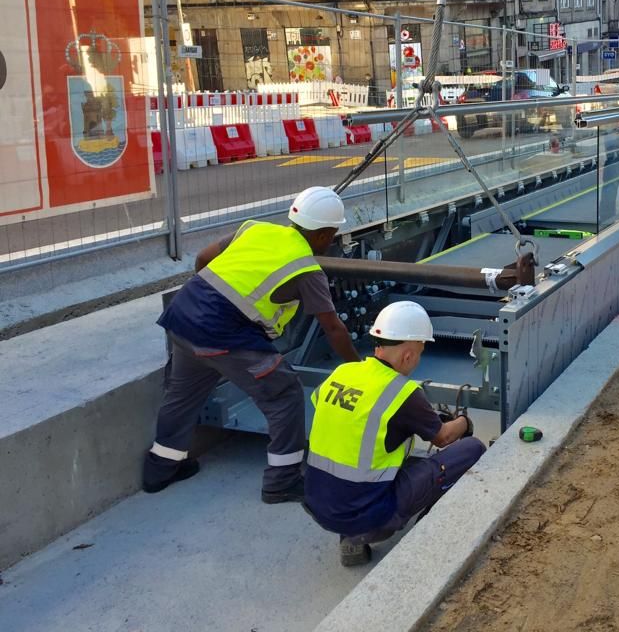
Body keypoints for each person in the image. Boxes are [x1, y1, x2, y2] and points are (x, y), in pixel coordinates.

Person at [143, 186, 361, 502]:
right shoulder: (306, 268)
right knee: (284, 393)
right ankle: (282, 481)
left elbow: (204, 257)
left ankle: (160, 469)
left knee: (182, 394)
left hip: (183, 315)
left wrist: (210, 300)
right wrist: (357, 367)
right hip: (224, 334)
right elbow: (333, 327)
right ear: (325, 235)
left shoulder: (255, 229)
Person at [303, 301, 486, 566]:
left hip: (320, 503)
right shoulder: (402, 392)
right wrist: (463, 423)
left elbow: (340, 413)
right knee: (471, 450)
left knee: (388, 461)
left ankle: (350, 540)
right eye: (420, 352)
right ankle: (422, 536)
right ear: (408, 355)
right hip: (368, 514)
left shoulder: (343, 372)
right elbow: (443, 437)